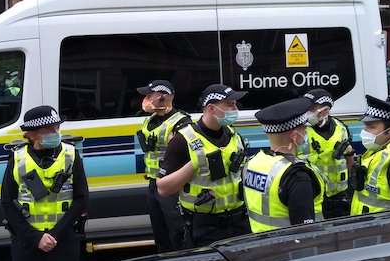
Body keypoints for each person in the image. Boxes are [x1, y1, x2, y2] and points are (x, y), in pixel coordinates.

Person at [1, 105, 88, 261]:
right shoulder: (17, 158)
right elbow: (7, 203)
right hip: (28, 242)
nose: (55, 132)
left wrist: (55, 235)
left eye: (57, 128)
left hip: (63, 240)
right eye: (49, 129)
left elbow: (82, 199)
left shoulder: (71, 155)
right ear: (31, 135)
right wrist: (36, 237)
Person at [157, 84, 250, 248]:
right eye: (230, 105)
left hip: (239, 223)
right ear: (211, 109)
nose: (235, 109)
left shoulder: (234, 136)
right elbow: (163, 188)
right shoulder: (183, 140)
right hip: (204, 227)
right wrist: (194, 165)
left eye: (235, 104)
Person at [243, 98, 324, 233]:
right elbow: (305, 232)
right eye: (304, 129)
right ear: (294, 135)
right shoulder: (297, 176)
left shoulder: (253, 163)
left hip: (260, 245)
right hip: (290, 250)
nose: (306, 134)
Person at [136, 80, 191, 252]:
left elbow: (189, 157)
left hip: (172, 186)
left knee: (177, 232)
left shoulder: (181, 123)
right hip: (154, 183)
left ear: (162, 98)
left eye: (149, 96)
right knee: (160, 233)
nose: (145, 99)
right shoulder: (151, 120)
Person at [299, 89, 353, 218]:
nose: (307, 111)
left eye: (311, 108)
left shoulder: (341, 128)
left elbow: (348, 157)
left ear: (326, 110)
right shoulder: (300, 130)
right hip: (312, 196)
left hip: (338, 197)